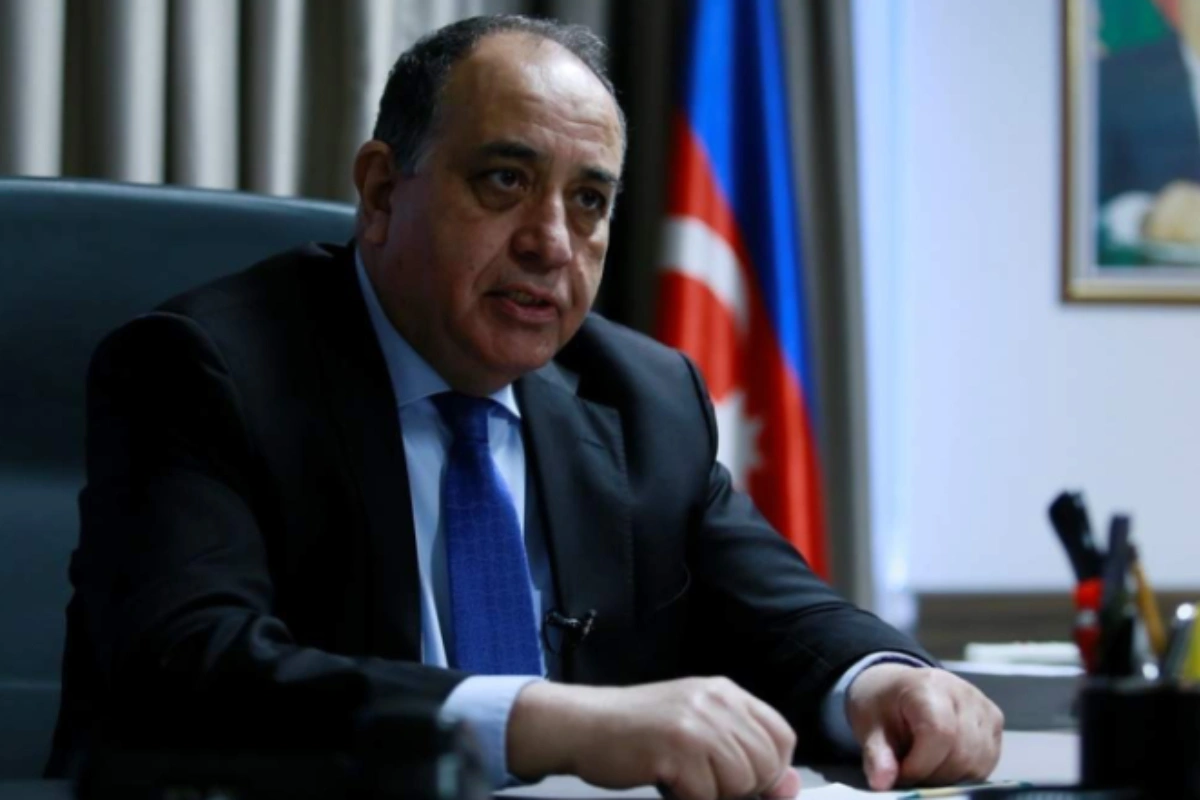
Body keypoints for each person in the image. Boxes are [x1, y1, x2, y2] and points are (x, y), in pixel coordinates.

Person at [48, 15, 1002, 800]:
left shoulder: (643, 396)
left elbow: (781, 615)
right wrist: (543, 720)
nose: (551, 242)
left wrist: (885, 681)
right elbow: (192, 671)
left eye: (588, 201)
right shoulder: (205, 370)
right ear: (380, 193)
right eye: (505, 181)